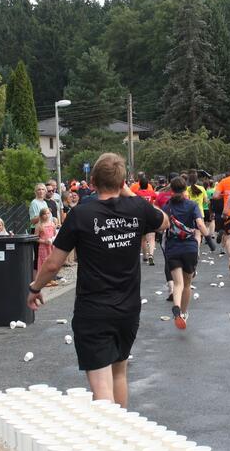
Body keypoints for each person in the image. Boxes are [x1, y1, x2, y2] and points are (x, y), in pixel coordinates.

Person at [29, 152, 168, 407]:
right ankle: (121, 435)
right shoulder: (137, 208)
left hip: (93, 310)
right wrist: (128, 193)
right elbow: (164, 221)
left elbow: (52, 263)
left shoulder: (81, 214)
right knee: (119, 373)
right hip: (128, 308)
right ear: (123, 181)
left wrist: (35, 287)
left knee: (101, 384)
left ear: (92, 181)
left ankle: (111, 439)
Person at [163, 176, 208, 328]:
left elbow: (161, 227)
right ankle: (183, 312)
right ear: (185, 189)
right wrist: (208, 235)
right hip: (189, 248)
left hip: (172, 248)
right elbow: (200, 225)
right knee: (187, 284)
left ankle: (176, 309)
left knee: (177, 283)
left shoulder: (167, 207)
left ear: (171, 190)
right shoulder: (192, 205)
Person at [132, 173, 158, 265]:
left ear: (140, 185)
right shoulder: (151, 193)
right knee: (151, 238)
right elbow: (157, 198)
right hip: (150, 216)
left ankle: (145, 256)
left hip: (140, 217)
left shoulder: (136, 193)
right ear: (147, 185)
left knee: (143, 239)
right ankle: (151, 254)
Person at [35, 208, 57, 277]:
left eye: (48, 213)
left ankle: (50, 278)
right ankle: (43, 278)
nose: (46, 215)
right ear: (41, 215)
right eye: (44, 214)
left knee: (51, 262)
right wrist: (44, 241)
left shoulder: (52, 224)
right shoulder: (39, 225)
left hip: (51, 246)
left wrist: (52, 240)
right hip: (43, 247)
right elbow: (36, 238)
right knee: (44, 262)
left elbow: (55, 234)